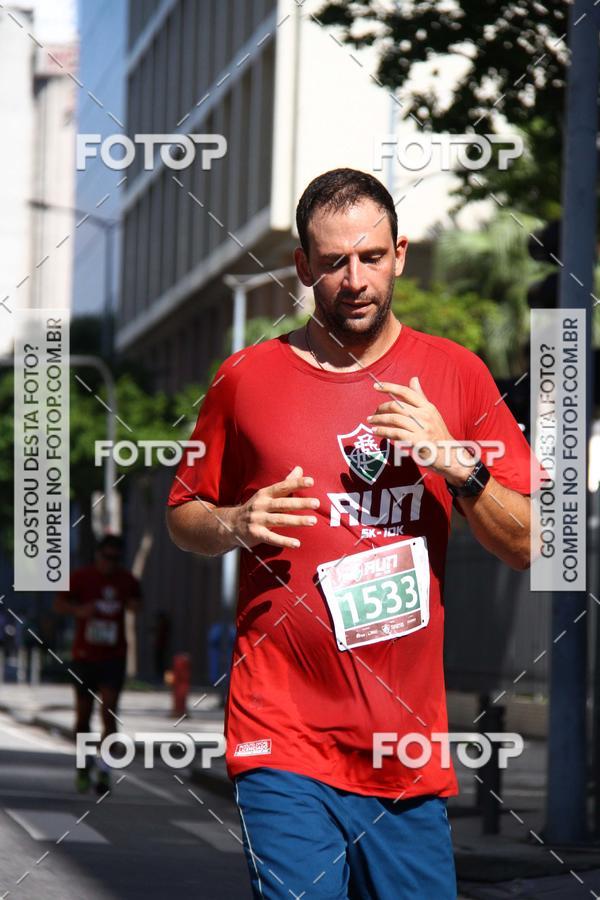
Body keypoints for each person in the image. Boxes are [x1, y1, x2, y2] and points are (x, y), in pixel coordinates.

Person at [166, 168, 543, 899]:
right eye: (334, 262)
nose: (356, 279)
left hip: (404, 749)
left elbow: (532, 541)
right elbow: (185, 513)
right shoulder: (246, 378)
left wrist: (456, 466)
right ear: (303, 267)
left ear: (399, 253)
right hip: (281, 735)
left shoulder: (456, 376)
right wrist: (236, 522)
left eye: (371, 257)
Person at [54, 534, 142, 794]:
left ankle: (104, 770)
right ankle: (83, 765)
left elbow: (138, 603)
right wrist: (79, 611)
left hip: (113, 657)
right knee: (82, 718)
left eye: (115, 559)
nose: (110, 563)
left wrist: (132, 605)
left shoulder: (127, 581)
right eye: (106, 557)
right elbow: (58, 604)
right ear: (98, 556)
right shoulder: (82, 577)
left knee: (110, 714)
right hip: (84, 656)